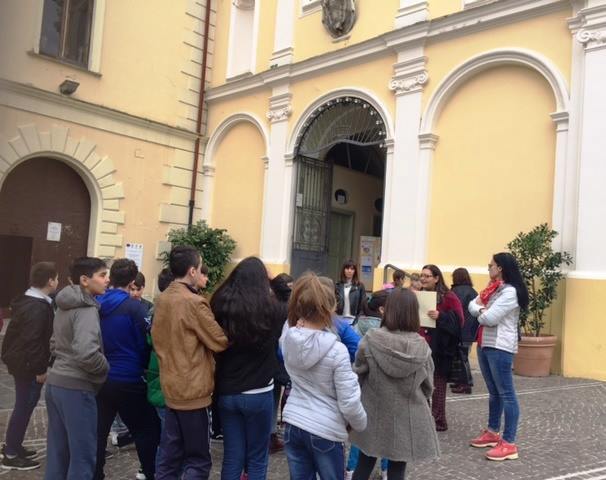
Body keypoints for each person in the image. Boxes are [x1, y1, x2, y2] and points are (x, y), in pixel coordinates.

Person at [280, 272, 367, 480]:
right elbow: (349, 399)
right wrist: (361, 423)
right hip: (325, 428)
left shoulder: (289, 339)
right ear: (330, 309)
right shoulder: (337, 351)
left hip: (294, 421)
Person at [152, 246, 229, 479]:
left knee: (170, 456)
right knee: (197, 459)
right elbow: (219, 341)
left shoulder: (162, 298)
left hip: (171, 385)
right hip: (193, 390)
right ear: (192, 271)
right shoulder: (194, 302)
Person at [351, 289, 439, 480]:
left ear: (388, 310)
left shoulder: (371, 339)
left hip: (373, 412)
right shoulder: (422, 347)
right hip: (405, 417)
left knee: (364, 465)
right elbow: (428, 387)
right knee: (397, 470)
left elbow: (357, 374)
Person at [211, 257, 283, 480]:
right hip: (258, 392)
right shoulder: (271, 309)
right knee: (257, 457)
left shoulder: (220, 305)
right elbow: (287, 301)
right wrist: (273, 280)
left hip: (227, 391)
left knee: (233, 455)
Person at [44, 257, 110, 480]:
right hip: (76, 387)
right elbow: (86, 352)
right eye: (102, 275)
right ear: (84, 280)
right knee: (82, 457)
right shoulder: (86, 309)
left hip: (56, 383)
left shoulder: (63, 304)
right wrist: (104, 369)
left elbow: (54, 343)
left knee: (57, 453)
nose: (107, 280)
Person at [94, 259, 161, 480]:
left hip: (101, 375)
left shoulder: (97, 303)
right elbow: (145, 342)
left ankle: (96, 473)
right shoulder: (135, 308)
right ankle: (150, 473)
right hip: (129, 377)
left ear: (111, 278)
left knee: (98, 431)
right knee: (146, 429)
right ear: (133, 281)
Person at [468, 253, 528, 461]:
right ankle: (493, 432)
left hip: (500, 347)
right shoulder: (493, 288)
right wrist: (482, 310)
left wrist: (481, 311)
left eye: (490, 265)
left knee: (507, 394)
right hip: (485, 343)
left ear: (500, 267)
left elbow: (490, 318)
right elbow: (471, 304)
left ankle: (509, 443)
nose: (488, 268)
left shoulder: (510, 292)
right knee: (494, 391)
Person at [1, 262, 58, 471]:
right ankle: (11, 454)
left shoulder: (29, 300)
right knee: (24, 406)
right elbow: (33, 341)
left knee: (23, 405)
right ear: (50, 281)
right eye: (56, 278)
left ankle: (13, 445)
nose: (57, 282)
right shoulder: (37, 306)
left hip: (20, 361)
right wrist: (40, 369)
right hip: (27, 365)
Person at [419, 264, 464, 431]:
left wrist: (441, 316)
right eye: (421, 275)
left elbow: (459, 321)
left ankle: (438, 421)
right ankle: (424, 419)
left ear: (436, 278)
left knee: (437, 385)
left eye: (427, 276)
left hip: (440, 348)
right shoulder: (420, 295)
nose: (423, 278)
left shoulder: (449, 297)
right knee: (421, 384)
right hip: (421, 345)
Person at [269, 273, 294, 454]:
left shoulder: (268, 306)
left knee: (273, 397)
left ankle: (270, 434)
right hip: (281, 360)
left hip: (268, 358)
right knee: (276, 397)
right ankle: (271, 436)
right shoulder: (290, 310)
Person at [450, 268, 479, 394]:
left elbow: (454, 311)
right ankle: (460, 381)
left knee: (461, 358)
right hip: (470, 329)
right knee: (463, 356)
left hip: (460, 330)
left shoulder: (456, 291)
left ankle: (466, 384)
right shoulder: (473, 291)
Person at [335, 260, 367, 324]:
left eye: (352, 269)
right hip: (339, 319)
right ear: (343, 270)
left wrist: (357, 321)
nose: (349, 271)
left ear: (355, 271)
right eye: (347, 268)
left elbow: (362, 306)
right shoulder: (337, 285)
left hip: (353, 320)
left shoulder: (360, 286)